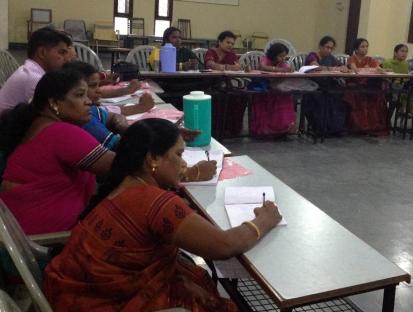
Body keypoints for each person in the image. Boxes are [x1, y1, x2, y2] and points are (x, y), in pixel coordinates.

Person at [44, 118, 282, 312]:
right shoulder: (153, 201)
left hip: (74, 295)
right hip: (108, 303)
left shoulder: (123, 184)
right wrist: (265, 219)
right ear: (153, 159)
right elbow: (224, 246)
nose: (183, 164)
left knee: (192, 275)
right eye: (179, 155)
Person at [0, 69, 115, 235]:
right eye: (79, 95)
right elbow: (124, 165)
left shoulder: (38, 125)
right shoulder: (61, 132)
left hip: (25, 234)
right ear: (54, 103)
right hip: (51, 242)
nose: (88, 101)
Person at [0, 27, 71, 112]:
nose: (67, 59)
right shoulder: (35, 79)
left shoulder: (29, 70)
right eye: (61, 52)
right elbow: (57, 112)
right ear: (42, 53)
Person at [63, 61, 128, 150]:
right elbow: (120, 148)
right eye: (80, 94)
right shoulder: (84, 121)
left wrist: (119, 121)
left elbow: (113, 116)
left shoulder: (90, 109)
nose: (99, 91)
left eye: (98, 85)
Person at [303, 36, 349, 136]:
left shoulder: (331, 58)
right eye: (327, 47)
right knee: (322, 98)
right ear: (320, 46)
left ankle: (334, 129)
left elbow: (341, 66)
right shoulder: (313, 55)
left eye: (331, 48)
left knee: (339, 98)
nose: (329, 50)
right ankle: (321, 128)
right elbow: (316, 68)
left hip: (328, 86)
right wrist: (332, 69)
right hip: (314, 87)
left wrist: (343, 68)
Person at [249, 43, 296, 137]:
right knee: (273, 95)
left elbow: (288, 69)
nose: (283, 58)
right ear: (274, 54)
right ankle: (267, 130)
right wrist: (279, 69)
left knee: (286, 95)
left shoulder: (282, 62)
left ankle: (282, 129)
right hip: (262, 87)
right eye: (281, 56)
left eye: (285, 56)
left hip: (276, 87)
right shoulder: (265, 59)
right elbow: (263, 67)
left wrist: (281, 69)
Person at [205, 31, 246, 137]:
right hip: (210, 84)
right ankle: (217, 129)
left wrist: (244, 68)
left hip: (227, 84)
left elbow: (238, 67)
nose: (230, 45)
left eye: (232, 44)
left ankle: (233, 129)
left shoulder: (231, 55)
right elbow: (210, 65)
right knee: (221, 96)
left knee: (242, 96)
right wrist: (229, 67)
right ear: (220, 41)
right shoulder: (212, 51)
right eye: (228, 42)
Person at [344, 38, 388, 135]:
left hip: (368, 85)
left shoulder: (370, 59)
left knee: (378, 94)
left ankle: (373, 126)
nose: (365, 49)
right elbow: (355, 69)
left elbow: (379, 69)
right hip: (356, 85)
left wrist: (379, 69)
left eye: (367, 46)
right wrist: (366, 69)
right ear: (356, 49)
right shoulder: (352, 58)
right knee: (356, 95)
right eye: (362, 46)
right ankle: (358, 126)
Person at [382, 44, 413, 132]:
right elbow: (386, 78)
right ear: (395, 53)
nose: (404, 54)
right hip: (390, 89)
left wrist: (412, 74)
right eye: (402, 51)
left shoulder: (406, 64)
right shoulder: (387, 62)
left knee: (405, 95)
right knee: (404, 96)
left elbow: (407, 78)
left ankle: (404, 114)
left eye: (406, 52)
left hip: (402, 89)